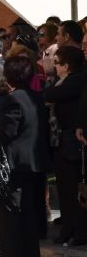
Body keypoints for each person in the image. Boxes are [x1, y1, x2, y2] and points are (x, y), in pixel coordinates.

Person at [0, 57, 52, 257]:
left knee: (12, 222)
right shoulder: (37, 96)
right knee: (29, 219)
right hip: (35, 164)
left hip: (15, 167)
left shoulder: (13, 99)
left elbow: (6, 133)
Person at [43, 46, 87, 245]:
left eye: (57, 62)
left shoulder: (76, 80)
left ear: (66, 66)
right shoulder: (66, 81)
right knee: (64, 189)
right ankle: (68, 230)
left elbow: (50, 94)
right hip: (62, 142)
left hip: (71, 143)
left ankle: (77, 232)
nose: (54, 66)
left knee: (73, 189)